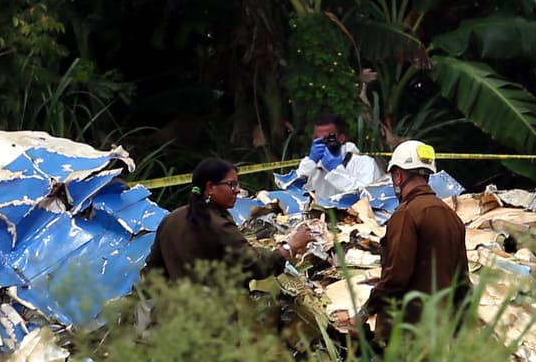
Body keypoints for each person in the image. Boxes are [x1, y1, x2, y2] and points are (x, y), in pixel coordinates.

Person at [357, 140, 470, 349]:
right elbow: (463, 283)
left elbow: (396, 277)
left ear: (398, 175)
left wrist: (365, 312)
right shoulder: (452, 217)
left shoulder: (406, 214)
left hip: (405, 337)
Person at [144, 158, 314, 286]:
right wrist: (291, 246)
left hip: (173, 319)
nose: (237, 190)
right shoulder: (218, 225)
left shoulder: (172, 218)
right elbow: (257, 266)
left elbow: (153, 270)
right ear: (211, 187)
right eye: (231, 185)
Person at [296, 112, 383, 198]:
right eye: (317, 139)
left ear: (341, 138)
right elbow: (294, 191)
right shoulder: (312, 166)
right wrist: (309, 164)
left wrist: (336, 172)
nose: (322, 144)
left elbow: (368, 197)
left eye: (327, 139)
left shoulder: (364, 163)